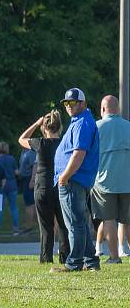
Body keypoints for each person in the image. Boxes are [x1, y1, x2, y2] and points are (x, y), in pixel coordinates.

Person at [50, 87, 100, 273]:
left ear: (83, 103)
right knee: (79, 222)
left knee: (75, 224)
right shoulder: (78, 121)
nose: (69, 106)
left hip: (73, 180)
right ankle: (91, 262)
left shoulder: (82, 123)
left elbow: (79, 154)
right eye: (66, 103)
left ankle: (74, 263)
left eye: (73, 102)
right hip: (75, 179)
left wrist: (64, 176)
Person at [19, 109, 70, 263]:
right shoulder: (64, 142)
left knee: (46, 226)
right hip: (61, 185)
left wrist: (36, 123)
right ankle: (65, 257)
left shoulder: (39, 143)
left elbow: (22, 139)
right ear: (59, 127)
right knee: (63, 225)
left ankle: (46, 258)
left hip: (42, 187)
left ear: (44, 128)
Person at [90, 95, 130, 264]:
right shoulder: (128, 126)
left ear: (103, 109)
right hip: (127, 181)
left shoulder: (95, 127)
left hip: (104, 182)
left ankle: (114, 257)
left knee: (108, 220)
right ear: (118, 109)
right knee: (128, 220)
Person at [0, 141, 20, 235]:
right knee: (13, 207)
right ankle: (16, 229)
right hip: (12, 183)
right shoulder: (11, 159)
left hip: (0, 184)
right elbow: (16, 172)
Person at [18, 146, 37, 233]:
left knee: (30, 204)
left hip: (29, 178)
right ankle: (29, 224)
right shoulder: (24, 152)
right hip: (24, 179)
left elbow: (35, 165)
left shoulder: (31, 152)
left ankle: (29, 225)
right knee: (28, 203)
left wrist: (32, 180)